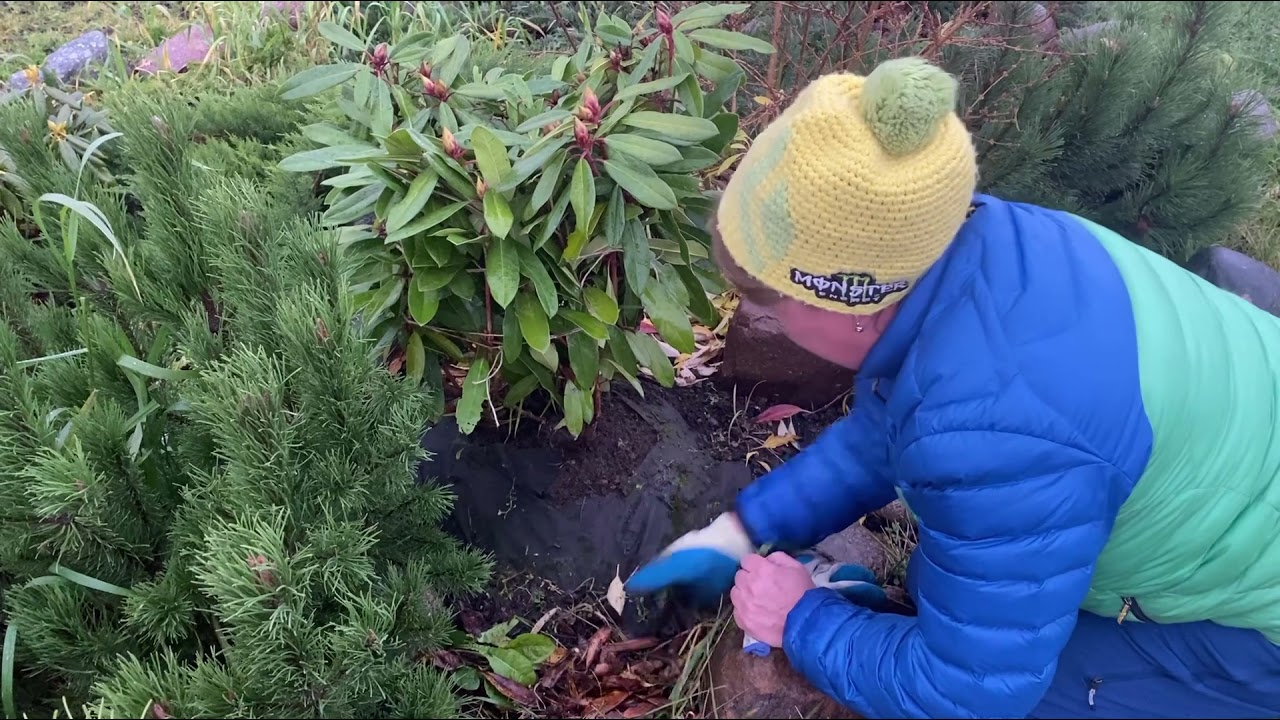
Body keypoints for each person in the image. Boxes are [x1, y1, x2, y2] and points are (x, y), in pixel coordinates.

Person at [624, 57, 1280, 719]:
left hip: (1267, 635)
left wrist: (801, 622)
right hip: (1236, 462)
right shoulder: (981, 248)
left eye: (771, 306)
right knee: (955, 583)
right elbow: (894, 425)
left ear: (852, 306)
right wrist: (746, 527)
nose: (763, 322)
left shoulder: (995, 428)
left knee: (1026, 688)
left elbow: (969, 695)